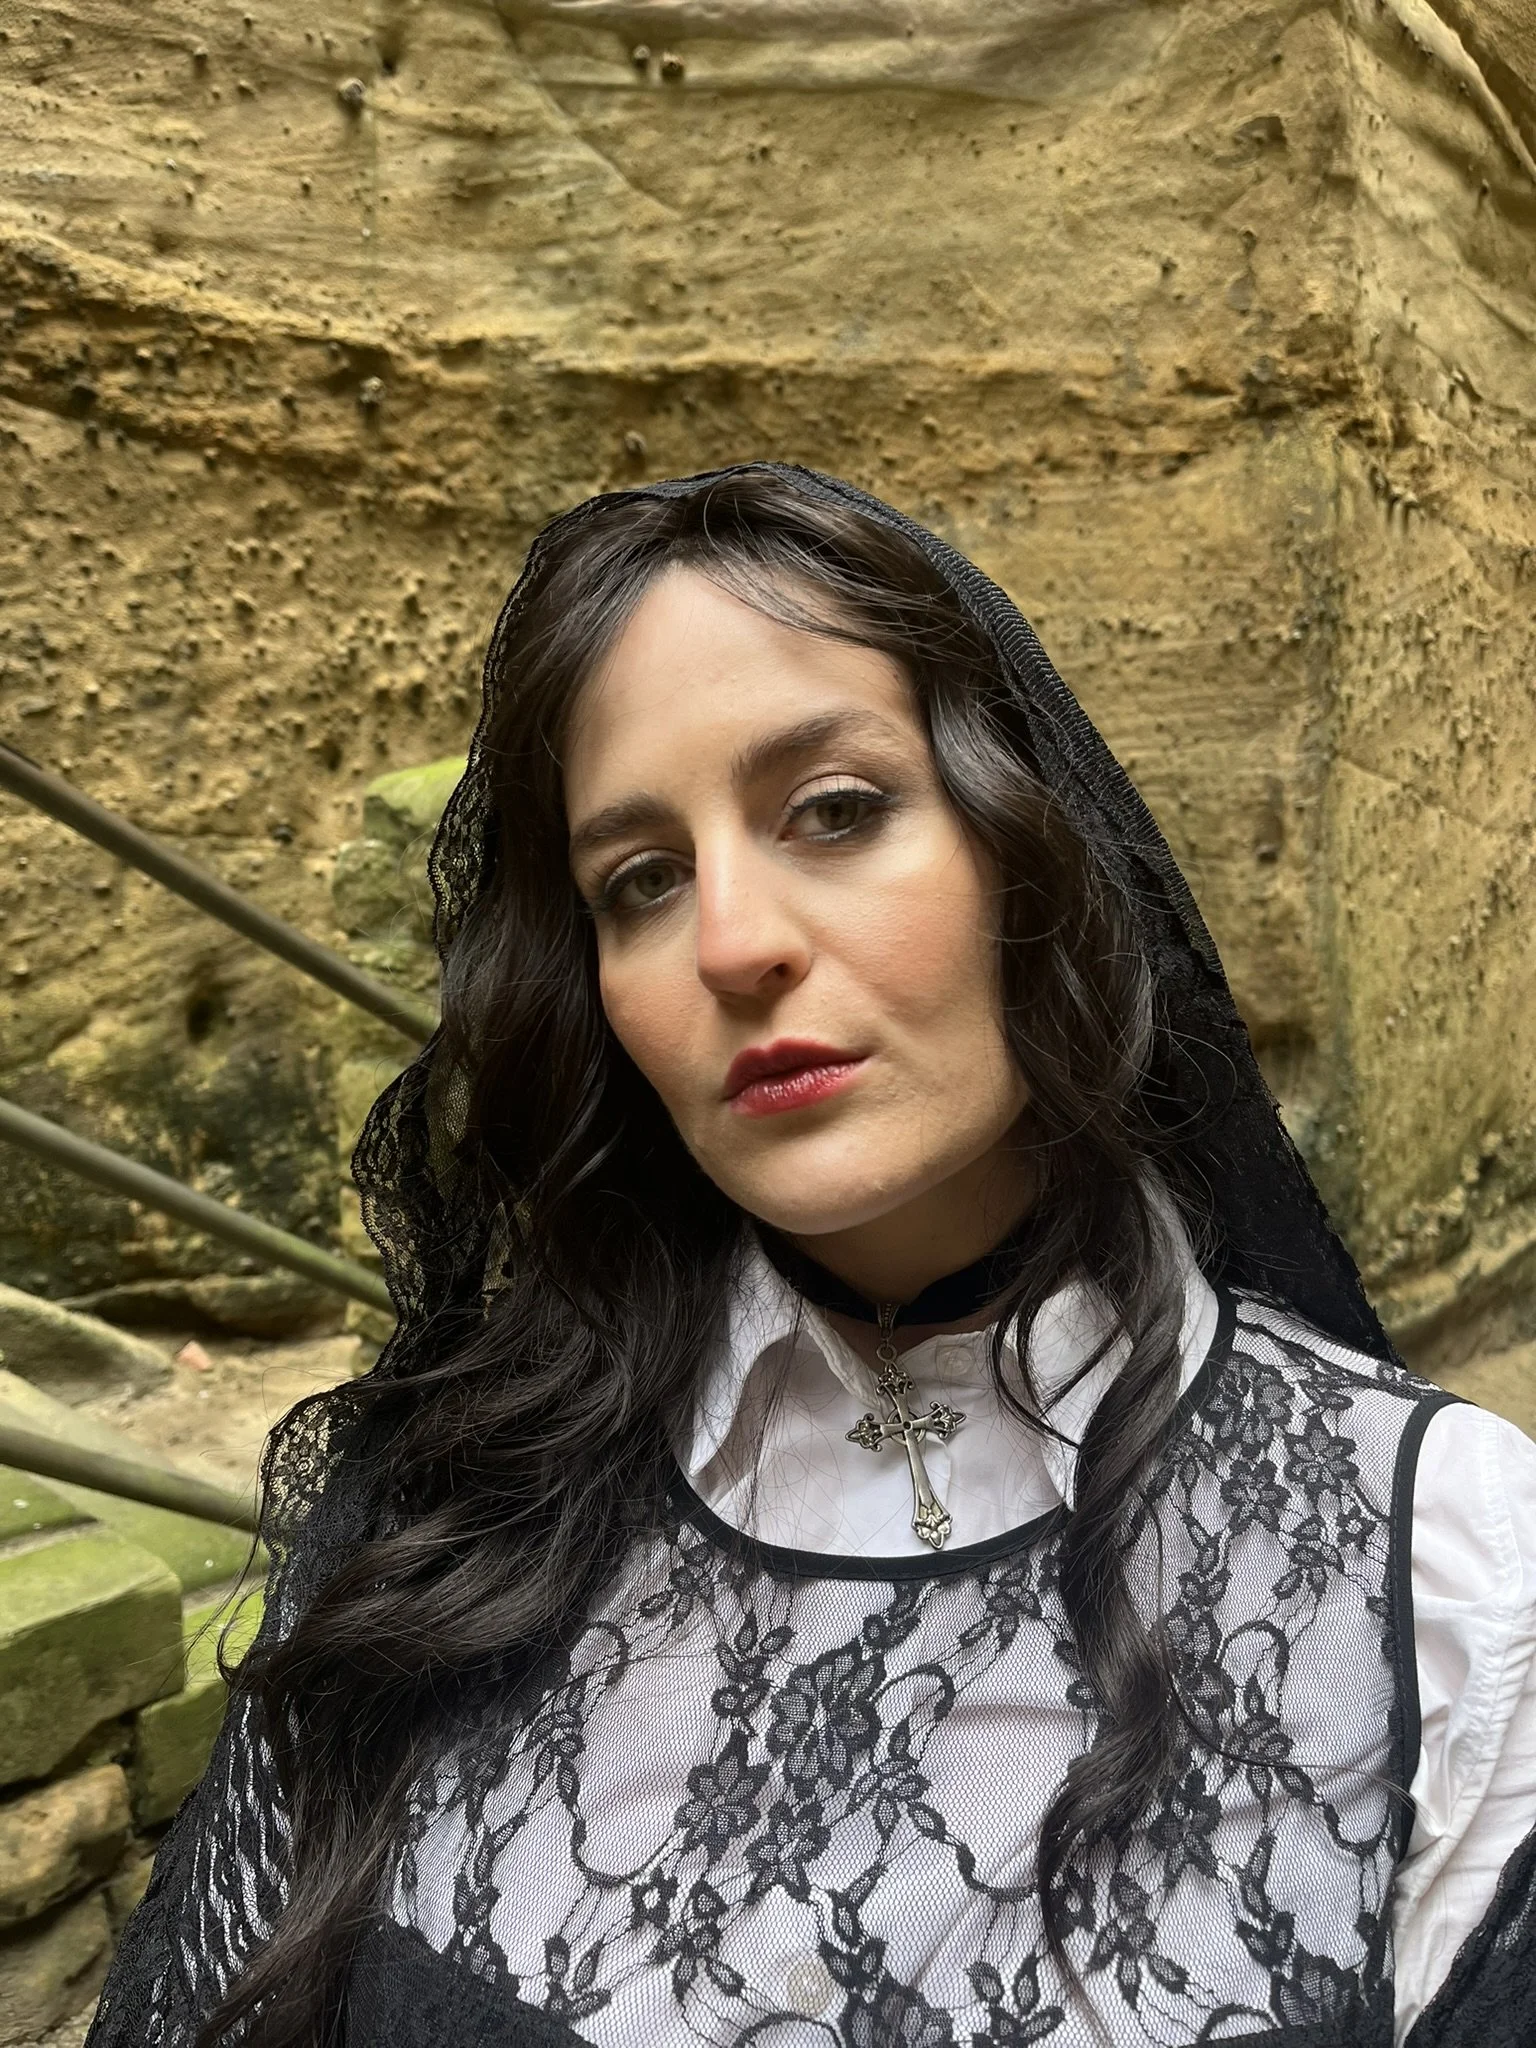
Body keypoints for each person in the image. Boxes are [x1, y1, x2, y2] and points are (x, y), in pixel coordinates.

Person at [89, 466, 1535, 2048]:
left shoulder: (1448, 1572)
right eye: (637, 881)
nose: (728, 940)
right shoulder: (446, 1504)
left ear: (1026, 848)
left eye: (833, 812)